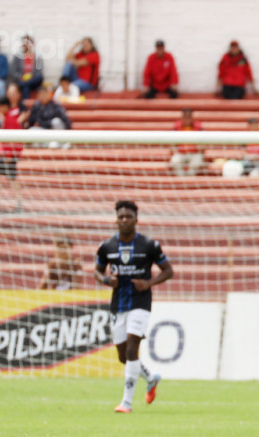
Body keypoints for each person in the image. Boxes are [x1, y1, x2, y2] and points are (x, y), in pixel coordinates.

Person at [95, 200, 174, 413]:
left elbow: (168, 271)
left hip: (140, 303)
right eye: (121, 217)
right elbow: (97, 271)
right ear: (116, 220)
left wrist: (148, 283)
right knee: (123, 356)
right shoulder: (107, 246)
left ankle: (126, 402)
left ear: (136, 220)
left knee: (132, 348)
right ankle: (151, 377)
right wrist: (106, 280)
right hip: (118, 304)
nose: (124, 220)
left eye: (128, 216)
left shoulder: (149, 246)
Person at [0, 95, 24, 212]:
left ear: (5, 106)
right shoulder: (7, 117)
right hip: (8, 153)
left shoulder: (10, 119)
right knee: (2, 177)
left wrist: (10, 155)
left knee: (8, 178)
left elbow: (14, 139)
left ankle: (16, 203)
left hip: (9, 154)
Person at [170, 108, 204, 176]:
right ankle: (182, 180)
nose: (187, 119)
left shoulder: (199, 127)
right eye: (185, 116)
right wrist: (174, 151)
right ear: (182, 117)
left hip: (194, 153)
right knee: (174, 161)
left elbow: (203, 144)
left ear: (192, 117)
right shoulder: (176, 127)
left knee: (197, 162)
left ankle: (190, 179)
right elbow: (172, 143)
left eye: (189, 117)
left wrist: (201, 153)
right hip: (181, 153)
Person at [9, 35, 44, 99]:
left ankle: (25, 84)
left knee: (39, 77)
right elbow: (13, 71)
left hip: (33, 81)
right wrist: (20, 76)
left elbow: (39, 72)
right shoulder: (17, 56)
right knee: (25, 86)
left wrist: (30, 78)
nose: (26, 44)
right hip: (21, 80)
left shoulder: (37, 57)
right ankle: (26, 104)